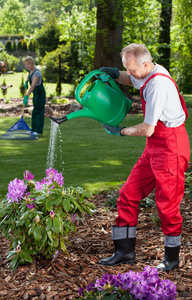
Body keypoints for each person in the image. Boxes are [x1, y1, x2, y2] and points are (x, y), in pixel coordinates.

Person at [98, 43, 190, 272]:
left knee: (167, 205)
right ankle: (124, 252)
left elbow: (148, 128)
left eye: (131, 69)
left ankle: (171, 258)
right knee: (127, 194)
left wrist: (120, 130)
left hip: (171, 146)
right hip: (155, 146)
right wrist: (115, 74)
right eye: (126, 69)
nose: (129, 74)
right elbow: (133, 79)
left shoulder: (158, 85)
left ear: (146, 64)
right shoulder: (147, 70)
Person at [23, 56, 46, 135]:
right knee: (34, 111)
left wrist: (26, 96)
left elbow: (32, 86)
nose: (27, 66)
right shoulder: (31, 71)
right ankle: (33, 129)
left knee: (39, 111)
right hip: (36, 94)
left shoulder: (36, 73)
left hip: (40, 94)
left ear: (33, 64)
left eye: (29, 64)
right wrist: (26, 81)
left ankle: (38, 131)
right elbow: (28, 77)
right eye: (26, 64)